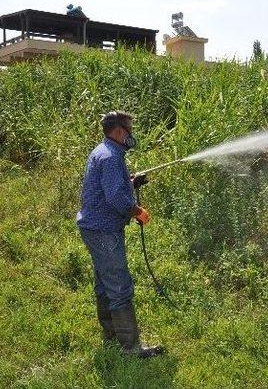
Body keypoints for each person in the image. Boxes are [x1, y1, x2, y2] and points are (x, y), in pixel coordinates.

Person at [76, 111, 163, 358]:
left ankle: (111, 336)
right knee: (119, 286)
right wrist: (138, 211)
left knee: (105, 284)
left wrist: (130, 182)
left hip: (94, 227)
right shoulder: (112, 158)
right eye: (128, 130)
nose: (131, 135)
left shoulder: (102, 151)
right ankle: (131, 349)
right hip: (103, 230)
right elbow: (115, 199)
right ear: (117, 132)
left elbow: (109, 188)